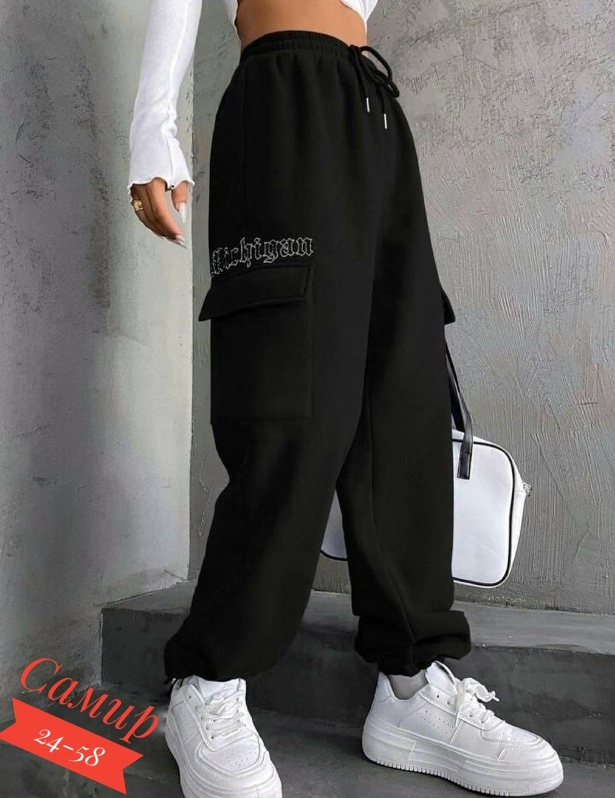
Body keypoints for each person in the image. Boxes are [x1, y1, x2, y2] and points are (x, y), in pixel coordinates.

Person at [127, 1, 564, 797]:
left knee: (403, 402)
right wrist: (151, 127)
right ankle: (207, 680)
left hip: (375, 109)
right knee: (289, 400)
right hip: (282, 97)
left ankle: (411, 685)